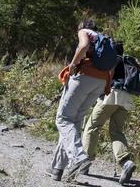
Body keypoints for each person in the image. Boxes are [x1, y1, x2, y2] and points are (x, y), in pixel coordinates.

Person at [47, 19, 113, 182]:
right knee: (74, 122)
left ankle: (79, 157)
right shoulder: (104, 40)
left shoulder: (85, 33)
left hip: (84, 78)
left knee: (63, 119)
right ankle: (58, 169)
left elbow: (83, 46)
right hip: (100, 82)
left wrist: (72, 65)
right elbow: (111, 67)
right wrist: (106, 86)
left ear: (82, 27)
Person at [81, 42, 137, 185]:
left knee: (93, 126)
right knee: (116, 131)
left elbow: (108, 77)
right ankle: (126, 162)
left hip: (112, 95)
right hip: (127, 99)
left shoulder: (113, 60)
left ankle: (85, 161)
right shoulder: (128, 61)